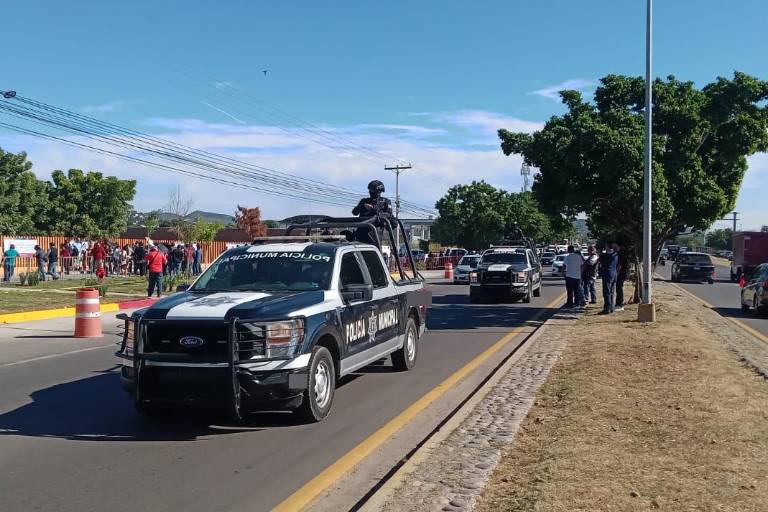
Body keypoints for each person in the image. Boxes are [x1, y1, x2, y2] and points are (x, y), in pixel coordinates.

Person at [599, 243, 619, 314]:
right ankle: (611, 308)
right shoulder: (615, 254)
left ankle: (607, 308)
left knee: (606, 292)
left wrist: (601, 253)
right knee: (612, 292)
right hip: (614, 273)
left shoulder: (606, 255)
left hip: (607, 274)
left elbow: (601, 260)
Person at [615, 243, 629, 311]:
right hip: (622, 273)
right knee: (618, 288)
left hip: (621, 273)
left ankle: (620, 304)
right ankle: (618, 303)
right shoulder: (622, 252)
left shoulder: (621, 253)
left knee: (619, 288)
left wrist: (616, 273)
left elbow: (620, 265)